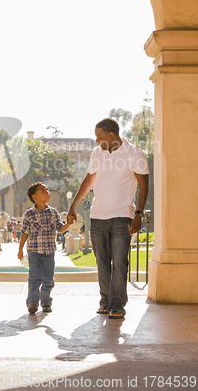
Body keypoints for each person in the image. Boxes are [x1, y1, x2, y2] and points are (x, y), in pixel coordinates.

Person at [68, 118, 149, 319]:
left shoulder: (135, 154)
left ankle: (118, 304)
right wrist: (73, 205)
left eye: (99, 136)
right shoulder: (97, 153)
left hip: (122, 215)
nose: (96, 140)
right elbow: (88, 181)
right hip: (97, 216)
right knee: (101, 262)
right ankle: (105, 301)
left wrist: (139, 213)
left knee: (120, 261)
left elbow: (144, 185)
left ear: (111, 134)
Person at [17, 182, 73, 314]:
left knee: (48, 278)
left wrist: (69, 223)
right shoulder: (29, 214)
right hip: (34, 252)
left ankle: (46, 302)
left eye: (47, 189)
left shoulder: (53, 212)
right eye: (43, 190)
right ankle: (32, 302)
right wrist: (20, 249)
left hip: (49, 252)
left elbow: (60, 229)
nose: (47, 191)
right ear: (34, 197)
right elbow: (24, 232)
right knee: (34, 277)